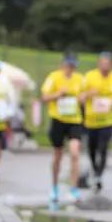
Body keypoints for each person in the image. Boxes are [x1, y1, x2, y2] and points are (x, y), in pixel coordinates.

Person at [42, 53, 85, 203]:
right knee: (58, 155)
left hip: (74, 120)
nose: (71, 69)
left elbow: (85, 94)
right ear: (63, 65)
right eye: (69, 65)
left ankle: (74, 187)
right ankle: (54, 187)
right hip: (58, 120)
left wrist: (83, 98)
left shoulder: (80, 79)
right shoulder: (54, 78)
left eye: (73, 66)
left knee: (75, 153)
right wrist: (58, 94)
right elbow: (44, 97)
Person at [80, 52, 112, 192]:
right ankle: (95, 169)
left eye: (107, 63)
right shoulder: (89, 77)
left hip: (108, 120)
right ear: (98, 63)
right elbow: (80, 97)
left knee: (103, 147)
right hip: (91, 120)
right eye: (102, 63)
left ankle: (98, 176)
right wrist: (89, 94)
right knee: (92, 149)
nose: (104, 66)